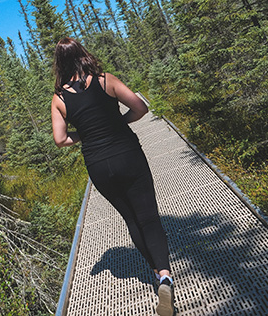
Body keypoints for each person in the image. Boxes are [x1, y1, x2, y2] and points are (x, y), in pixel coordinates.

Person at [50, 38, 175, 316]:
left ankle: (155, 272)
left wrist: (84, 135)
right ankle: (165, 276)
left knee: (131, 219)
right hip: (128, 154)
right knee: (149, 217)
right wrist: (118, 121)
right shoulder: (105, 80)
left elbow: (60, 140)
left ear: (59, 64)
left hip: (98, 165)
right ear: (82, 54)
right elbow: (141, 107)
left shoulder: (59, 99)